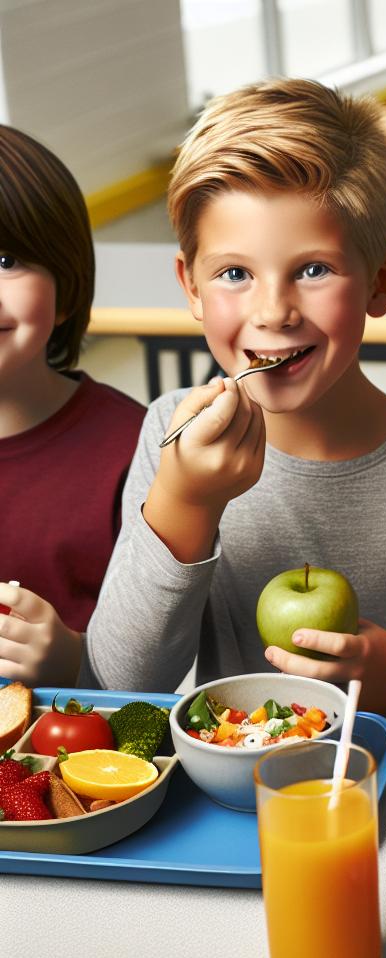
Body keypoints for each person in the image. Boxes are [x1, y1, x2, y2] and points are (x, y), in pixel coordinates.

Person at [80, 80, 386, 716]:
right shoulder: (171, 434)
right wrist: (185, 502)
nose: (273, 312)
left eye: (313, 269)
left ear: (382, 281)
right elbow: (120, 689)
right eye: (234, 273)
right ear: (191, 286)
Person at [0, 126, 145, 686]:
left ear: (65, 286)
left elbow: (155, 674)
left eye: (8, 258)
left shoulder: (133, 452)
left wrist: (72, 660)